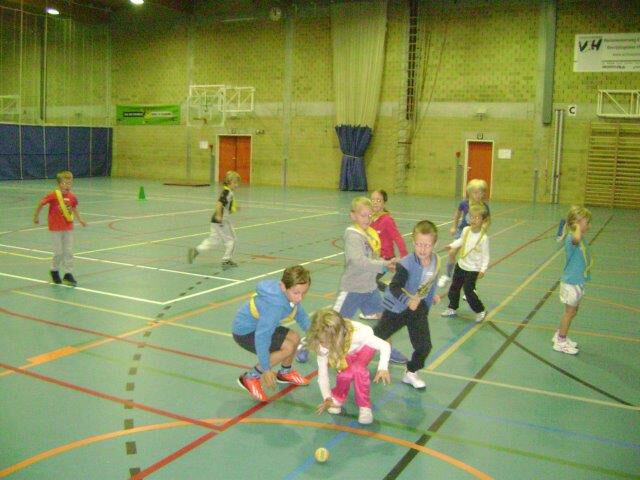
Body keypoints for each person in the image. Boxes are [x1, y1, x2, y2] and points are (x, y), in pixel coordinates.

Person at [296, 197, 396, 363]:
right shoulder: (352, 235)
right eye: (363, 215)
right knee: (331, 324)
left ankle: (388, 349)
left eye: (370, 215)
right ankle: (306, 342)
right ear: (353, 215)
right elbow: (358, 262)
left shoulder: (369, 234)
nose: (367, 219)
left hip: (369, 288)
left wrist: (386, 263)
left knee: (385, 319)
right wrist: (384, 265)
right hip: (352, 289)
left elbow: (372, 258)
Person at [375, 220, 442, 390]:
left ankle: (411, 372)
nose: (422, 249)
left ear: (435, 244)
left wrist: (431, 297)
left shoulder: (436, 262)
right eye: (419, 244)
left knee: (424, 346)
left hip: (417, 309)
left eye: (427, 245)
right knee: (375, 337)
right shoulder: (406, 264)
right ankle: (352, 359)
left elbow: (431, 282)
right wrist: (408, 301)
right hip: (397, 308)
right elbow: (394, 287)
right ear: (413, 242)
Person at [233, 265, 312, 402]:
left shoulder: (288, 294)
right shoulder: (275, 307)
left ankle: (285, 373)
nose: (300, 298)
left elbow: (301, 315)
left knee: (295, 337)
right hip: (245, 333)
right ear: (283, 286)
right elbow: (262, 338)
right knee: (288, 347)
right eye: (296, 293)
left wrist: (315, 335)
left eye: (303, 293)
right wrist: (266, 369)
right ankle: (250, 377)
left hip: (260, 325)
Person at [309, 307, 391, 425]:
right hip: (346, 351)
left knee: (358, 370)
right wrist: (327, 398)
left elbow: (384, 345)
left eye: (328, 341)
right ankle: (336, 398)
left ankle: (364, 407)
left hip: (364, 347)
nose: (325, 345)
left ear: (338, 336)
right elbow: (322, 375)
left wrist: (383, 367)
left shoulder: (359, 334)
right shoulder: (323, 345)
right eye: (322, 341)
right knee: (345, 375)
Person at [33, 170, 87, 286]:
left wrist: (80, 219)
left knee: (68, 251)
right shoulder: (53, 195)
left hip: (68, 227)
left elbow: (74, 208)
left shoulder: (72, 196)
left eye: (69, 183)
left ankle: (68, 273)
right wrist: (36, 216)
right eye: (65, 183)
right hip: (55, 228)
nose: (67, 186)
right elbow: (41, 204)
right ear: (59, 184)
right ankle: (54, 270)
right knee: (58, 252)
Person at [553, 206, 592, 355]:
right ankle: (560, 342)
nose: (589, 226)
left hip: (577, 281)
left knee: (573, 311)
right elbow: (576, 239)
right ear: (577, 223)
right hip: (571, 283)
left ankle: (559, 334)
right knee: (569, 313)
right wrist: (576, 227)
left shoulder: (579, 237)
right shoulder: (572, 238)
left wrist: (578, 227)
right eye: (587, 223)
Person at [440, 204, 490, 322]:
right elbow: (461, 241)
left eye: (477, 218)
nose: (473, 220)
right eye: (471, 217)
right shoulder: (466, 230)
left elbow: (486, 256)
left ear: (483, 220)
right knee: (454, 287)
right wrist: (451, 245)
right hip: (461, 265)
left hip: (473, 269)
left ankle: (480, 310)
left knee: (468, 291)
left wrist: (483, 270)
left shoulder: (483, 238)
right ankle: (452, 308)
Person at [439, 179, 490, 288]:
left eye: (481, 192)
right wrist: (454, 226)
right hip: (462, 232)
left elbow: (487, 220)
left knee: (473, 259)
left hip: (475, 234)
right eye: (475, 192)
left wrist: (483, 229)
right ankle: (447, 275)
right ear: (470, 193)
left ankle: (471, 285)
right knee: (452, 252)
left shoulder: (484, 207)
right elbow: (457, 215)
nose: (478, 195)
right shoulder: (464, 203)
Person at [188, 170, 241, 270]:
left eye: (237, 183)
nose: (236, 185)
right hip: (221, 221)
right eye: (235, 183)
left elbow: (225, 205)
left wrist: (234, 208)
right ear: (229, 182)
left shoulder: (227, 192)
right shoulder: (227, 192)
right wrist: (219, 216)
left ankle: (196, 250)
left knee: (213, 240)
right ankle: (226, 260)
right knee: (232, 240)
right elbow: (219, 204)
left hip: (215, 221)